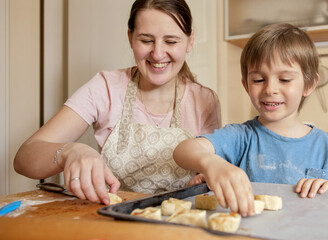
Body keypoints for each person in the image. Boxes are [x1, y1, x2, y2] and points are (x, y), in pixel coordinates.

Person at [14, 0, 221, 205]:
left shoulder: (205, 101)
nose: (157, 53)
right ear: (130, 37)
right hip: (113, 223)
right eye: (146, 40)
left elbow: (210, 172)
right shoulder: (105, 87)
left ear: (190, 40)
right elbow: (24, 158)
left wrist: (203, 179)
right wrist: (70, 152)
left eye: (171, 42)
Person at [173, 23, 328, 217]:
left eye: (284, 79)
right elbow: (183, 151)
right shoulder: (241, 137)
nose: (270, 89)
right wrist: (210, 164)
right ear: (246, 85)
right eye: (258, 80)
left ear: (309, 85)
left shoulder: (324, 146)